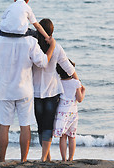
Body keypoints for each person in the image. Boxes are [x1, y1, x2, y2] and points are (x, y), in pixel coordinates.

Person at [0, 29, 56, 162]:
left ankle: (2, 161)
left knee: (3, 126)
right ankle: (23, 161)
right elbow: (42, 62)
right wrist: (52, 46)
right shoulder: (30, 41)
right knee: (25, 126)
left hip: (5, 90)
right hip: (24, 90)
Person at [32, 19, 79, 162]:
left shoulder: (33, 46)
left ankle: (46, 157)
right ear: (51, 32)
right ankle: (45, 157)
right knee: (47, 125)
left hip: (35, 92)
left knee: (41, 126)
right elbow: (69, 68)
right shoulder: (56, 47)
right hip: (52, 93)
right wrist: (78, 83)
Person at [53, 60, 86, 161]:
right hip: (72, 112)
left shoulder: (58, 82)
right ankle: (71, 158)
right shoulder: (76, 83)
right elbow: (79, 99)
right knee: (72, 136)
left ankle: (63, 159)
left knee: (62, 137)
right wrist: (83, 91)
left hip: (61, 112)